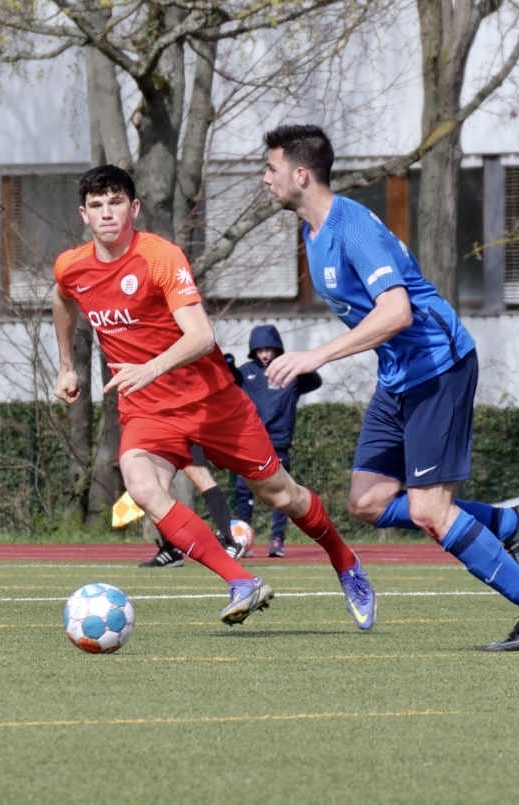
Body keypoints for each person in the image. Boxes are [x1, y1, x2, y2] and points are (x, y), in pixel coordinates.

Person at [259, 124, 519, 651]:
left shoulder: (353, 228)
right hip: (399, 376)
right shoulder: (313, 234)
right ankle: (510, 522)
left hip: (438, 367)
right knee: (368, 501)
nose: (265, 179)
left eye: (271, 169)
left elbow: (397, 312)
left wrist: (316, 355)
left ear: (301, 174)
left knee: (429, 511)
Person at [52, 163, 377, 629]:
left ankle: (344, 560)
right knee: (143, 487)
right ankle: (241, 581)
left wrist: (151, 367)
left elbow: (202, 336)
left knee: (280, 495)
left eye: (116, 202)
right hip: (147, 410)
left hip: (212, 403)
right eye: (96, 205)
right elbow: (62, 298)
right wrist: (67, 364)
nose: (107, 213)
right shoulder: (72, 266)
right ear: (83, 214)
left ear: (134, 208)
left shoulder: (160, 257)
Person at [231, 325, 322, 558]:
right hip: (250, 442)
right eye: (260, 350)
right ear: (253, 350)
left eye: (269, 349)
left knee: (282, 493)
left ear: (277, 349)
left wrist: (299, 363)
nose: (264, 355)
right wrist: (227, 366)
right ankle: (243, 539)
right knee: (244, 491)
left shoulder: (288, 371)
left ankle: (277, 539)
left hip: (278, 442)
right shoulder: (246, 373)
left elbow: (314, 381)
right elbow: (227, 382)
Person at [140, 445, 244, 568]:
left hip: (187, 434)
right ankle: (171, 550)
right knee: (154, 486)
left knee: (199, 475)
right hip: (160, 435)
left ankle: (229, 542)